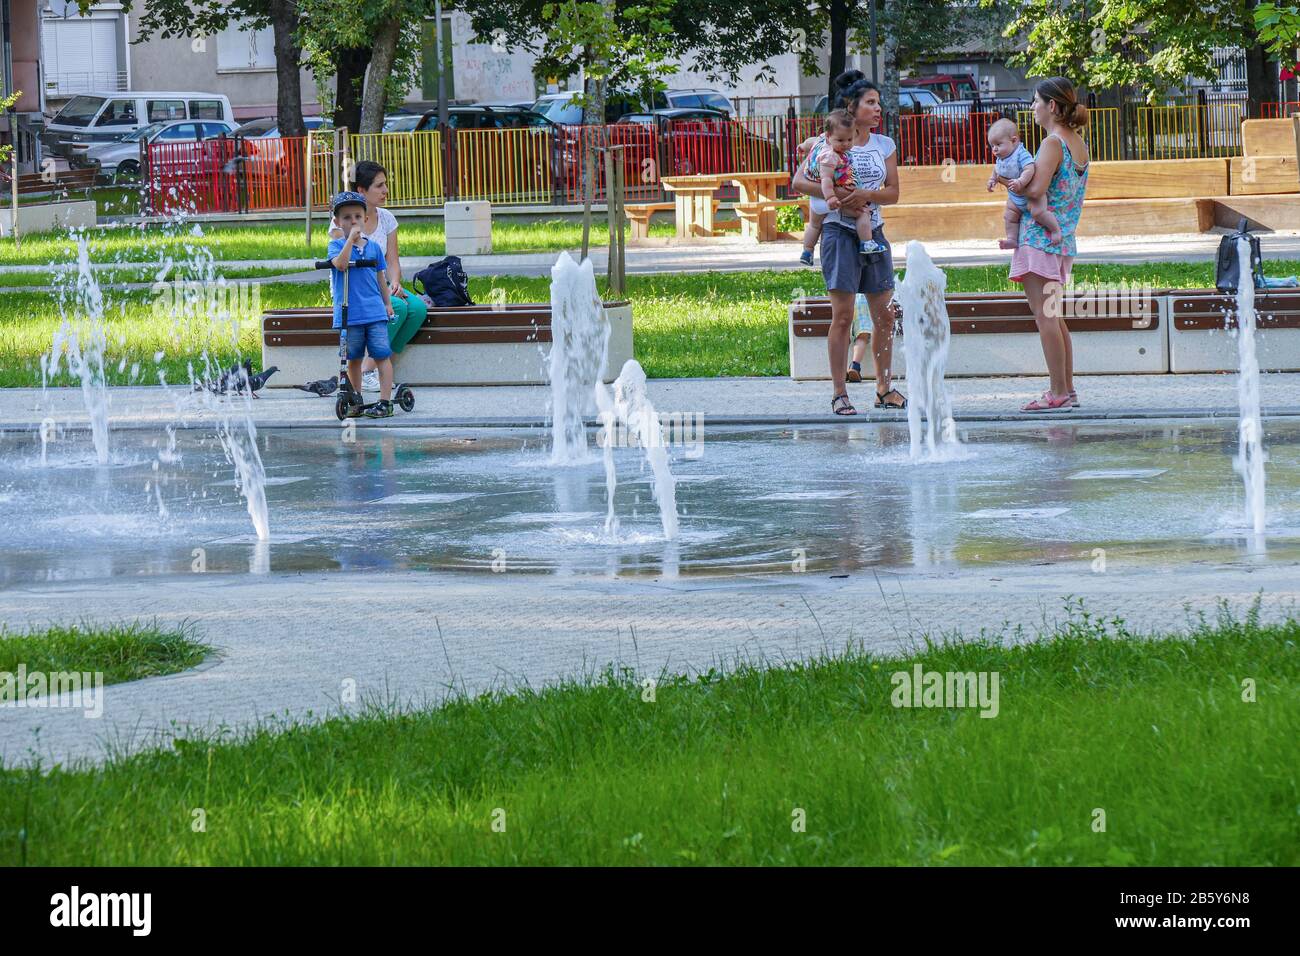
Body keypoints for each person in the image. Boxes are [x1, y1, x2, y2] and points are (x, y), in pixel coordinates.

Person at [791, 73, 905, 414]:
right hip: (839, 234)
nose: (877, 108)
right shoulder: (829, 144)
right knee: (842, 317)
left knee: (884, 316)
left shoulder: (884, 145)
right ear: (851, 107)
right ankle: (840, 392)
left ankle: (884, 389)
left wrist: (866, 194)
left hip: (874, 232)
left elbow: (894, 194)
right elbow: (799, 181)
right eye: (870, 103)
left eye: (878, 103)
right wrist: (841, 195)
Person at [1010, 77, 1090, 413]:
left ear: (1052, 106)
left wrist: (1011, 180)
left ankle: (1057, 392)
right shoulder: (1077, 142)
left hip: (1038, 240)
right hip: (1060, 241)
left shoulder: (1052, 143)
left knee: (1046, 319)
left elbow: (1034, 189)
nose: (1032, 107)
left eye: (1035, 101)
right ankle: (1066, 390)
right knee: (1054, 317)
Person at [327, 160, 427, 392]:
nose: (385, 191)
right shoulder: (343, 220)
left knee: (418, 309)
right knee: (398, 309)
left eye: (385, 185)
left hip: (381, 284)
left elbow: (392, 260)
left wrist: (395, 282)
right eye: (379, 186)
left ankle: (378, 365)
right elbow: (341, 262)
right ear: (361, 190)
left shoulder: (387, 218)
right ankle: (366, 369)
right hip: (355, 291)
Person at [328, 190, 397, 418]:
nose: (353, 221)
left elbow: (380, 278)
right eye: (347, 218)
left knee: (381, 355)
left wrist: (387, 303)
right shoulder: (337, 246)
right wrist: (349, 240)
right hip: (350, 315)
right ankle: (356, 398)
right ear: (338, 222)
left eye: (357, 216)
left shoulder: (374, 249)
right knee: (353, 359)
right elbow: (340, 265)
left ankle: (385, 401)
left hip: (374, 312)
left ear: (365, 219)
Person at [986, 118, 1061, 249]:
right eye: (992, 146)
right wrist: (992, 180)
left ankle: (1055, 230)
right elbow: (996, 169)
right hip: (1015, 198)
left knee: (1038, 212)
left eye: (998, 144)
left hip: (1031, 195)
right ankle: (1012, 239)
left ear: (1014, 141)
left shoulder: (1020, 153)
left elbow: (1030, 168)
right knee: (1009, 216)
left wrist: (1020, 182)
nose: (995, 149)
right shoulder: (1001, 158)